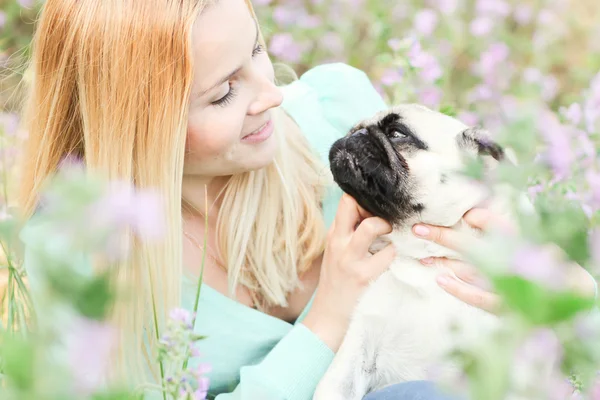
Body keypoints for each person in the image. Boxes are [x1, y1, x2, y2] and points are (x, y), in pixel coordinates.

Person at [17, 0, 597, 399]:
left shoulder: (334, 116)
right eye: (224, 93)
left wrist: (556, 287)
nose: (272, 95)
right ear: (138, 124)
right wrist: (330, 312)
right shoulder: (76, 262)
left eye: (260, 49)